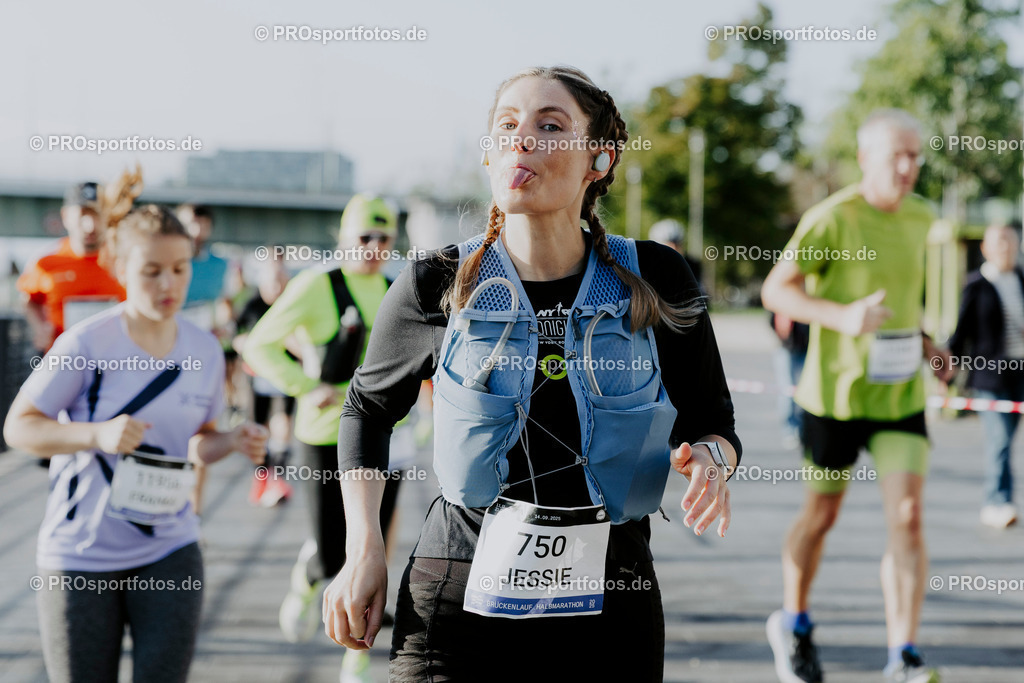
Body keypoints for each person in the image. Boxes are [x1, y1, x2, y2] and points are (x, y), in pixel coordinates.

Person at [321, 66, 741, 683]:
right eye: (508, 125)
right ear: (490, 154)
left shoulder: (657, 277)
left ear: (599, 158)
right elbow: (367, 409)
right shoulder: (436, 281)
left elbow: (716, 424)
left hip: (611, 601)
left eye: (551, 126)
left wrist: (711, 458)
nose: (523, 139)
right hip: (456, 597)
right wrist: (365, 549)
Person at [2, 176, 268, 683]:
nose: (168, 285)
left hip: (170, 546)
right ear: (120, 269)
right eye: (151, 272)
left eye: (179, 268)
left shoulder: (205, 350)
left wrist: (231, 442)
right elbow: (19, 428)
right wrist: (95, 435)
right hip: (81, 556)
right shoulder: (85, 343)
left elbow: (197, 441)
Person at [761, 109, 948, 683]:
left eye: (915, 155)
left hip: (898, 399)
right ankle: (793, 622)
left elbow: (904, 302)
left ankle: (903, 656)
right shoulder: (832, 217)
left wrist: (928, 344)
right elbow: (777, 291)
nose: (908, 166)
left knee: (909, 518)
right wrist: (844, 316)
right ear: (866, 158)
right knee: (822, 514)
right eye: (897, 154)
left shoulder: (923, 218)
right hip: (834, 397)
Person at [243, 194, 404, 682]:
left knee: (371, 548)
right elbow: (258, 344)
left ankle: (354, 654)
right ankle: (309, 574)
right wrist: (306, 387)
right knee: (336, 551)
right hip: (325, 436)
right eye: (365, 237)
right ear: (344, 238)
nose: (374, 247)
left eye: (385, 239)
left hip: (385, 438)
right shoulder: (318, 284)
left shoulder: (398, 289)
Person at [947, 220, 1024, 529]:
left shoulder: (1021, 278)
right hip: (989, 377)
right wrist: (946, 372)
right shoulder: (976, 285)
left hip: (1019, 373)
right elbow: (960, 334)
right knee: (1000, 439)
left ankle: (1001, 498)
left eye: (1010, 240)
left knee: (1008, 438)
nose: (1005, 246)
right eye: (999, 241)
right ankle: (997, 500)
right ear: (986, 249)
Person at [17, 181, 126, 352]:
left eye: (97, 214)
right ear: (66, 216)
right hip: (63, 361)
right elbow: (29, 299)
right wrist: (40, 327)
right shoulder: (46, 261)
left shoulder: (126, 259)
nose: (90, 225)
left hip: (117, 361)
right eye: (82, 214)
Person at [176, 204, 233, 515]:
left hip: (204, 361)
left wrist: (224, 324)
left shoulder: (220, 264)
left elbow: (225, 305)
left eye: (202, 223)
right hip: (165, 361)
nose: (196, 231)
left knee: (202, 434)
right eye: (189, 223)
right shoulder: (171, 262)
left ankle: (193, 513)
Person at [234, 252, 295, 507]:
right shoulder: (251, 305)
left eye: (280, 280)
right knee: (259, 431)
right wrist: (247, 345)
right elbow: (235, 338)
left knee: (283, 428)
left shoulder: (293, 304)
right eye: (271, 281)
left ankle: (277, 479)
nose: (276, 286)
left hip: (286, 376)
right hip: (256, 377)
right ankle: (261, 477)